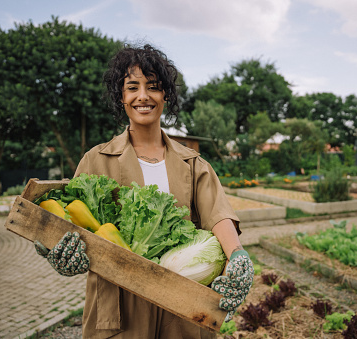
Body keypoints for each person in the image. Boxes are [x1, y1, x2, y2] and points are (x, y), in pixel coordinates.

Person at [34, 44, 254, 339]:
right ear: (121, 96)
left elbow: (218, 214)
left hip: (183, 302)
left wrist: (237, 256)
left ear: (165, 95)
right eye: (132, 87)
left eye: (153, 86)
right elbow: (66, 218)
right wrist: (49, 247)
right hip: (118, 305)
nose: (143, 96)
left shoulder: (194, 163)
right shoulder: (96, 160)